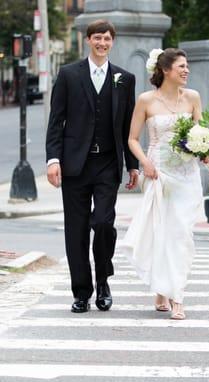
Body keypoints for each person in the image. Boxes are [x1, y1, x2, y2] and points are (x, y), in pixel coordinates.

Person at [46, 19, 139, 313]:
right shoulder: (69, 74)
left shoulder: (125, 78)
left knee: (102, 223)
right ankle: (81, 292)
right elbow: (56, 120)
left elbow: (127, 127)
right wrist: (53, 159)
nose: (102, 43)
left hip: (108, 163)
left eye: (107, 39)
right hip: (75, 164)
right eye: (97, 38)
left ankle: (103, 282)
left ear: (113, 42)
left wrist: (133, 165)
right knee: (76, 230)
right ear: (88, 40)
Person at [121, 48, 206, 320]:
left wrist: (205, 150)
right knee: (162, 232)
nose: (186, 70)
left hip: (187, 175)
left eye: (187, 65)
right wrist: (144, 162)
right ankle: (164, 289)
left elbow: (200, 132)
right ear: (166, 70)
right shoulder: (146, 100)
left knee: (181, 234)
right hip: (158, 173)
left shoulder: (193, 97)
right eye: (181, 66)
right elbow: (132, 138)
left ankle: (176, 294)